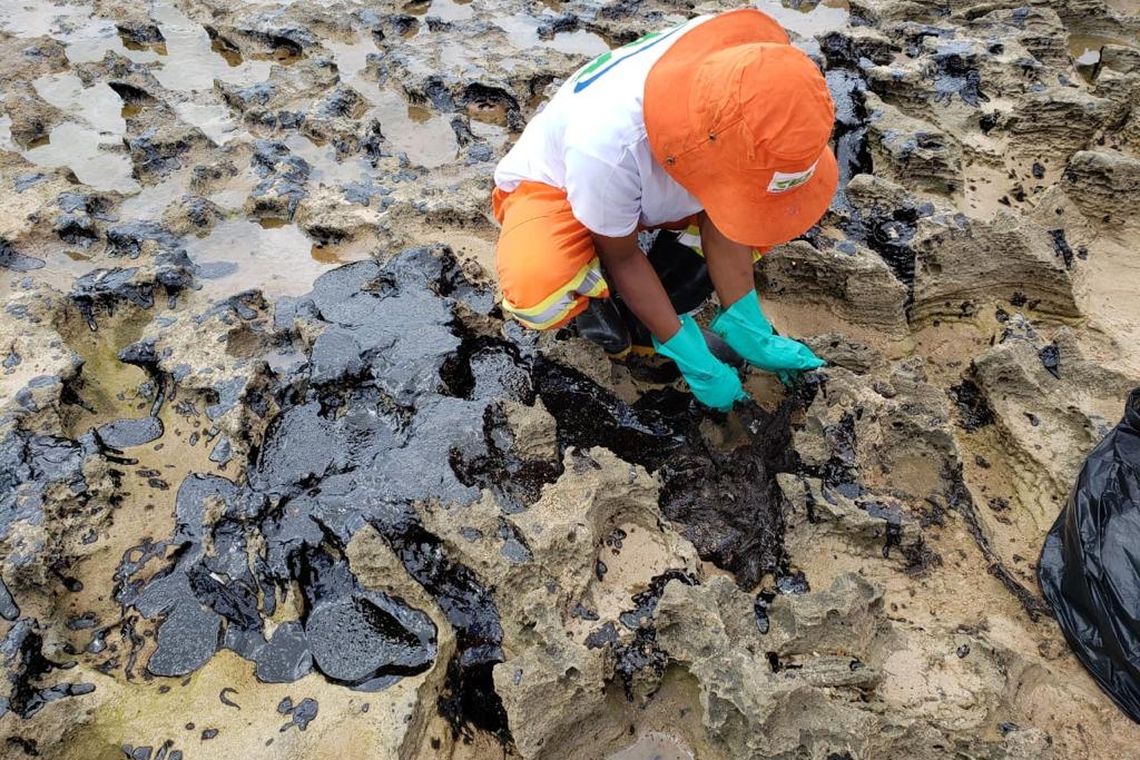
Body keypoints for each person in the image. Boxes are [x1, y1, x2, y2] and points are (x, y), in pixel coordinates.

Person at [491, 8, 836, 411]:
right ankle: (613, 316)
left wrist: (747, 320)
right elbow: (622, 256)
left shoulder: (752, 74)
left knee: (770, 213)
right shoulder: (607, 147)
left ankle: (663, 305)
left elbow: (730, 214)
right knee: (539, 286)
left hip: (656, 182)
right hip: (562, 187)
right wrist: (688, 353)